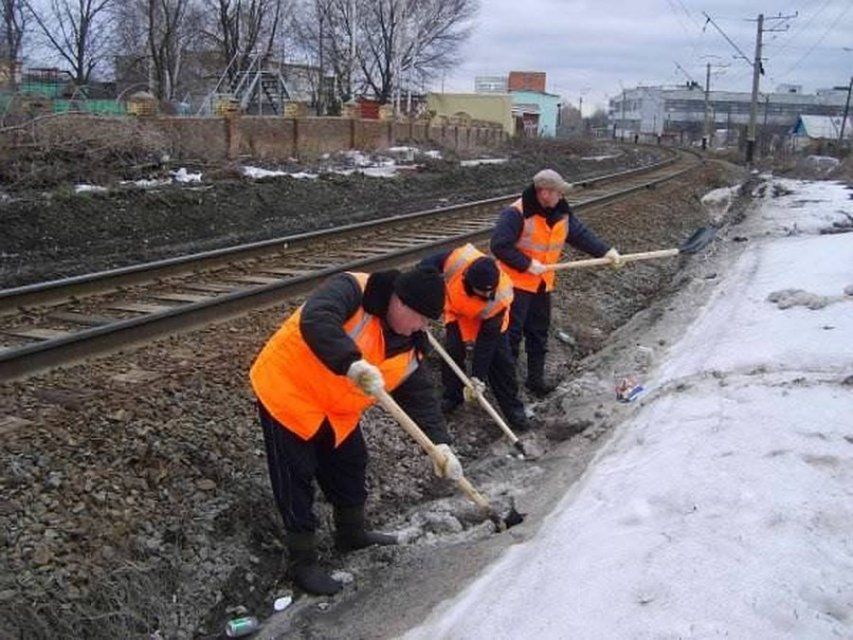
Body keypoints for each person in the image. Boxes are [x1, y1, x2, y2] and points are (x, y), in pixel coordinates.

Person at [249, 266, 463, 596]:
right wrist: (351, 361)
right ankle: (303, 562)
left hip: (336, 411)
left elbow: (420, 398)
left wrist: (441, 445)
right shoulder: (352, 289)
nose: (422, 327)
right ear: (400, 303)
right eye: (420, 318)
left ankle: (351, 534)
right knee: (295, 478)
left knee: (351, 464)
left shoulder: (409, 344)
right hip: (288, 393)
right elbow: (316, 319)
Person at [490, 168, 623, 396]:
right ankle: (506, 388)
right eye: (558, 193)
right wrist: (527, 264)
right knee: (511, 335)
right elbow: (499, 245)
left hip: (542, 284)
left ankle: (535, 381)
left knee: (538, 333)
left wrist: (605, 251)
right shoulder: (516, 213)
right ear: (543, 192)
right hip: (514, 286)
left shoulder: (561, 212)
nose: (562, 196)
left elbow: (580, 235)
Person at [420, 243, 530, 431]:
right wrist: (421, 290)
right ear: (468, 281)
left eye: (491, 290)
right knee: (453, 351)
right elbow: (427, 265)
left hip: (492, 322)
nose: (488, 294)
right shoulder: (457, 260)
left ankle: (515, 413)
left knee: (501, 363)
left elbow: (485, 345)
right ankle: (452, 397)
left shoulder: (499, 296)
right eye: (483, 291)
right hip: (458, 312)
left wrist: (477, 378)